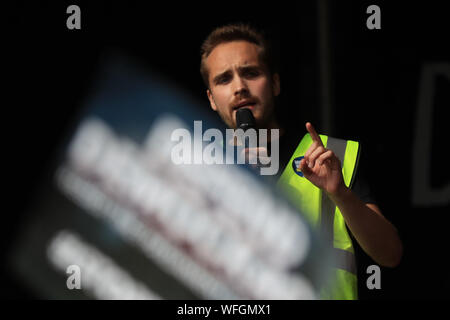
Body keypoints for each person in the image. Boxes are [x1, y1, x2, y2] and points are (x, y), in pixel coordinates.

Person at [199, 23, 403, 299]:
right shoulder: (198, 166)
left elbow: (390, 254)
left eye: (251, 73)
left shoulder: (333, 155)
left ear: (274, 83)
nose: (239, 87)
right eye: (224, 79)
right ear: (211, 99)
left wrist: (340, 193)